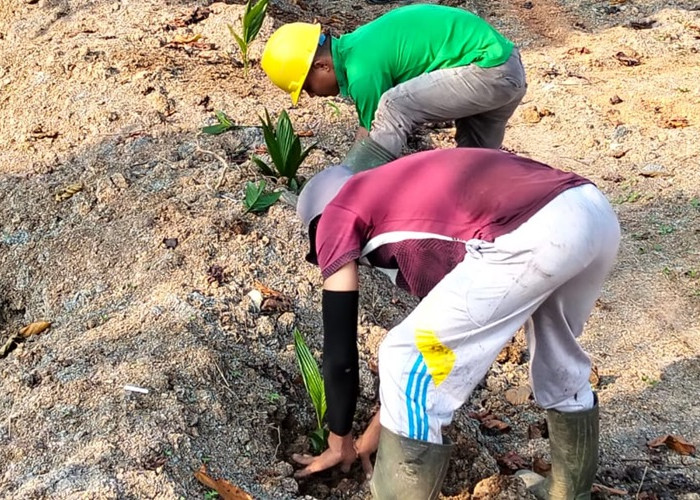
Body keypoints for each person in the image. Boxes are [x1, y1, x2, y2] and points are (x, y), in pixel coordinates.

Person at [291, 148, 620, 499]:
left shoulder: (338, 214)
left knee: (402, 359)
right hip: (590, 210)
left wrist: (340, 437)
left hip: (535, 232)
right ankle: (569, 493)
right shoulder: (406, 200)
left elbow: (340, 354)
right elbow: (439, 353)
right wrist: (377, 434)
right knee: (559, 358)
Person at [261, 4, 527, 170]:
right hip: (505, 66)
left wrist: (347, 180)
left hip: (488, 70)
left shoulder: (361, 72)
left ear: (321, 66)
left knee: (394, 105)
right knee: (475, 166)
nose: (311, 94)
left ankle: (360, 196)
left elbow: (371, 135)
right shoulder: (360, 44)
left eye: (307, 86)